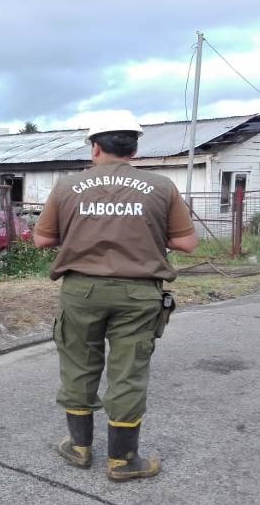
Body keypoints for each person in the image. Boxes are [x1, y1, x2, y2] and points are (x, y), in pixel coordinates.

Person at [32, 110, 198, 482]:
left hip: (81, 291)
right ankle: (123, 461)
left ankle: (78, 448)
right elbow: (187, 243)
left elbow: (43, 239)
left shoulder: (65, 187)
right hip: (139, 294)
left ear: (95, 148)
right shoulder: (161, 186)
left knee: (78, 365)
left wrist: (81, 232)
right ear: (134, 148)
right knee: (128, 372)